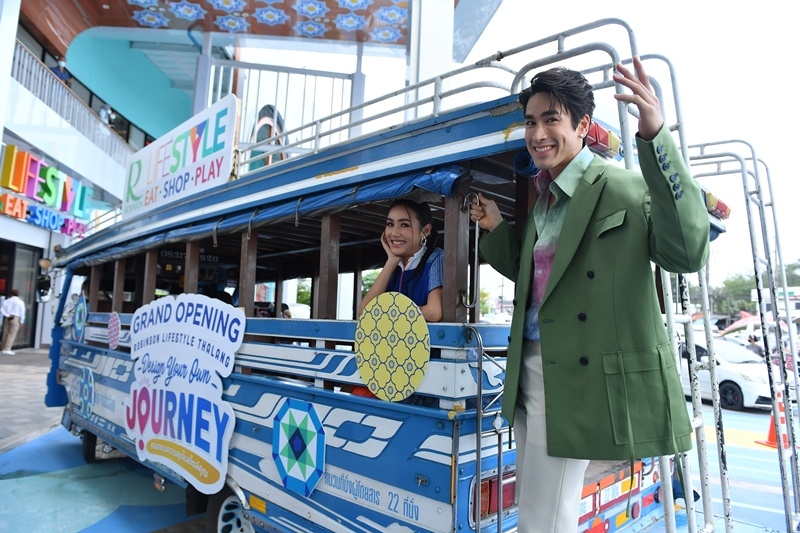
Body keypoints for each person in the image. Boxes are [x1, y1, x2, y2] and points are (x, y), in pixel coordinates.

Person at [470, 58, 710, 532]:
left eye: (551, 120)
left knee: (545, 514)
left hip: (574, 372)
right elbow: (541, 285)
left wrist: (656, 137)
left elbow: (686, 252)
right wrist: (496, 228)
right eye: (531, 122)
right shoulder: (544, 200)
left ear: (582, 125)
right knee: (538, 504)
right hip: (530, 364)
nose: (538, 134)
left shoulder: (622, 187)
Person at [359, 199, 444, 322]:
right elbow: (365, 312)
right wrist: (392, 261)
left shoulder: (435, 258)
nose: (394, 233)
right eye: (390, 224)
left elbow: (434, 312)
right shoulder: (394, 267)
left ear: (425, 230)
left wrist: (390, 312)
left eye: (404, 225)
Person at [1, 289, 26, 355]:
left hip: (7, 318)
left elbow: (2, 310)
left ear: (11, 294)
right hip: (15, 318)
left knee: (5, 333)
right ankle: (7, 349)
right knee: (12, 334)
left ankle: (3, 348)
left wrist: (7, 315)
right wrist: (22, 321)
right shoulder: (20, 302)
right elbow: (22, 312)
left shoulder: (6, 301)